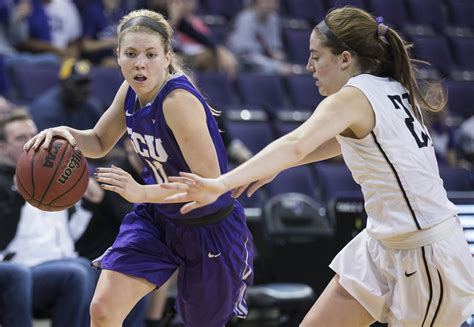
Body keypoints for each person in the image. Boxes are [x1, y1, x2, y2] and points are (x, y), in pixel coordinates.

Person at [161, 7, 474, 326]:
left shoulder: (351, 97)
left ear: (345, 59)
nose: (309, 66)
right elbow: (341, 141)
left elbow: (295, 143)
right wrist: (278, 167)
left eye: (316, 56)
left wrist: (220, 184)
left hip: (424, 251)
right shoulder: (389, 89)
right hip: (383, 243)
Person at [24, 8, 254, 327]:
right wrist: (67, 135)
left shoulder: (177, 102)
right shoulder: (130, 90)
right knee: (103, 310)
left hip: (208, 226)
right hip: (157, 218)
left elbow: (209, 183)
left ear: (167, 55)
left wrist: (140, 190)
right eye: (130, 54)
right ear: (118, 55)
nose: (140, 63)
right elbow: (100, 141)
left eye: (150, 54)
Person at [0, 109, 96, 326]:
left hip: (58, 263)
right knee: (75, 273)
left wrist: (88, 204)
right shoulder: (4, 184)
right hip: (20, 267)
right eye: (20, 139)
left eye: (33, 135)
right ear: (2, 148)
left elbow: (74, 233)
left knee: (99, 268)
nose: (30, 143)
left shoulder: (52, 178)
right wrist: (17, 195)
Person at [226, 0, 302, 75]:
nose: (271, 5)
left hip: (265, 65)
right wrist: (277, 67)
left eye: (275, 2)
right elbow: (245, 56)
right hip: (242, 67)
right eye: (267, 2)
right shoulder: (245, 19)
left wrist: (277, 55)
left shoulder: (273, 19)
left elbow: (274, 49)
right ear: (256, 2)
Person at [29, 58, 104, 131]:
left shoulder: (92, 107)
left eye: (86, 83)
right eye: (77, 83)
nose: (84, 89)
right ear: (63, 83)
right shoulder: (45, 109)